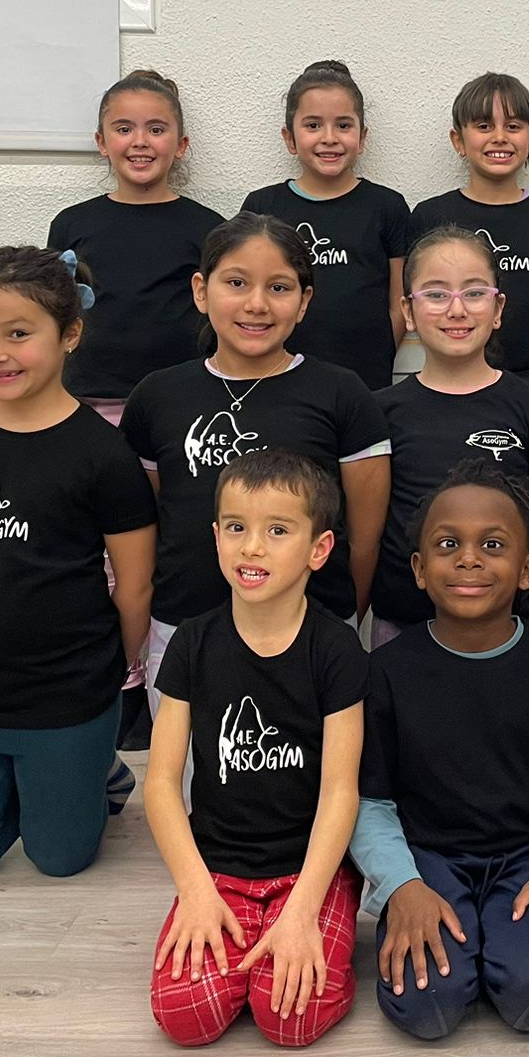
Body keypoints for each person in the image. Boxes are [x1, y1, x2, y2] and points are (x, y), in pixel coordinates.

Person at [0, 246, 157, 882]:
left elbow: (134, 585)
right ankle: (28, 779)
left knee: (59, 859)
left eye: (19, 334)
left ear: (70, 334)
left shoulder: (103, 455)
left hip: (67, 695)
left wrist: (114, 674)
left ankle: (97, 769)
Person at [350, 463, 529, 1039]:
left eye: (492, 545)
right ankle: (466, 945)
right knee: (430, 1006)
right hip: (426, 859)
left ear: (528, 569)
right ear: (419, 569)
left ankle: (501, 945)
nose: (469, 559)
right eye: (448, 545)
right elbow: (368, 802)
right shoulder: (385, 673)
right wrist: (401, 886)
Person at [120, 214, 390, 712]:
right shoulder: (157, 397)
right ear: (201, 291)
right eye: (237, 282)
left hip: (312, 632)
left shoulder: (342, 394)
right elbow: (153, 520)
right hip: (183, 627)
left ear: (304, 302)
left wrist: (340, 620)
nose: (257, 304)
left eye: (279, 287)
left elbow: (364, 538)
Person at [144, 449, 368, 1048]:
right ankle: (244, 958)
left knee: (290, 1020)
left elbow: (341, 791)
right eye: (237, 527)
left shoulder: (336, 650)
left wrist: (303, 909)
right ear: (216, 536)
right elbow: (161, 783)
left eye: (278, 530)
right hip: (219, 869)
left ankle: (315, 930)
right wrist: (195, 890)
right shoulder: (192, 643)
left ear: (319, 549)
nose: (252, 548)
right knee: (185, 1018)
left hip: (309, 870)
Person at [48, 69, 223, 746]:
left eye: (156, 128)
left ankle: (169, 687)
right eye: (124, 129)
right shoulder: (74, 225)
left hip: (176, 415)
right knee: (100, 553)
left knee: (169, 546)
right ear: (101, 141)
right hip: (91, 410)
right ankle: (114, 688)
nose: (140, 141)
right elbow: (56, 315)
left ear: (182, 143)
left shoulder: (206, 227)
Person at [370, 226, 529, 644]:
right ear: (408, 311)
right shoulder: (379, 412)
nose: (456, 310)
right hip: (406, 625)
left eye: (474, 293)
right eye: (436, 294)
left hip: (514, 626)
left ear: (498, 308)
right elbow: (370, 526)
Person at [240, 61, 411, 388]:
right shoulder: (263, 207)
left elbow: (398, 303)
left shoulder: (386, 207)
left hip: (366, 381)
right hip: (278, 378)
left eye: (343, 125)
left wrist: (378, 354)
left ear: (362, 137)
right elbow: (250, 292)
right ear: (290, 139)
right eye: (313, 125)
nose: (329, 138)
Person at [411, 72, 529, 378]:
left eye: (513, 126)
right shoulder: (430, 217)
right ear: (458, 140)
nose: (499, 137)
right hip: (451, 376)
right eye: (484, 126)